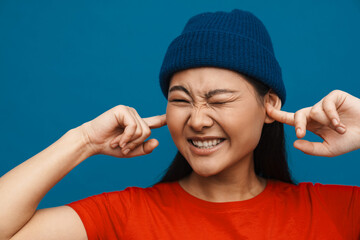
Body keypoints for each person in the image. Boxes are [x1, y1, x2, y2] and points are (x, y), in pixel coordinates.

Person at [0, 9, 359, 240]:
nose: (198, 120)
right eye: (181, 100)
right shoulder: (123, 216)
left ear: (270, 106)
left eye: (219, 100)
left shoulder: (336, 213)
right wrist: (82, 141)